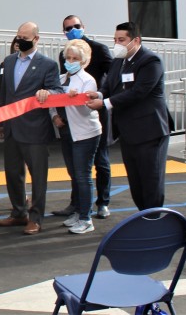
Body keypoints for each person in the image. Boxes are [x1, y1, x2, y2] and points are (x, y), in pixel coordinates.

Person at [86, 22, 170, 211]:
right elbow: (109, 86)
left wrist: (105, 103)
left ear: (136, 40)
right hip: (128, 132)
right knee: (136, 181)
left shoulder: (150, 61)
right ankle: (144, 216)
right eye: (115, 40)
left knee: (151, 181)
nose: (117, 43)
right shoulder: (118, 61)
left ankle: (154, 221)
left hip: (150, 132)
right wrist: (98, 94)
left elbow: (139, 92)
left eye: (121, 40)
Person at [0, 22, 62, 235]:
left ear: (36, 39)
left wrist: (47, 93)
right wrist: (1, 121)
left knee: (38, 175)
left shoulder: (48, 64)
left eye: (25, 37)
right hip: (12, 126)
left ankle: (36, 217)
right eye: (18, 36)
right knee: (13, 173)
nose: (20, 40)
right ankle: (18, 213)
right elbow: (3, 93)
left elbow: (56, 89)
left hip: (35, 128)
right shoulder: (9, 61)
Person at [53, 15, 113, 220]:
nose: (72, 29)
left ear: (83, 26)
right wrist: (58, 114)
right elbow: (60, 89)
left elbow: (111, 78)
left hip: (94, 112)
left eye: (76, 26)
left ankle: (102, 203)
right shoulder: (65, 57)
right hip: (71, 118)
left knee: (100, 162)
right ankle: (77, 205)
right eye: (68, 28)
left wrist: (97, 95)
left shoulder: (100, 50)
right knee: (76, 169)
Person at [44, 39, 101, 234]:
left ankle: (86, 218)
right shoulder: (60, 79)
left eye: (75, 58)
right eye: (68, 57)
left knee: (83, 176)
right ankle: (78, 211)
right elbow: (52, 101)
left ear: (83, 60)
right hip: (67, 131)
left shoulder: (88, 80)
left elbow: (87, 110)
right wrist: (54, 117)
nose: (70, 61)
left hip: (85, 133)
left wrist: (74, 98)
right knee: (74, 174)